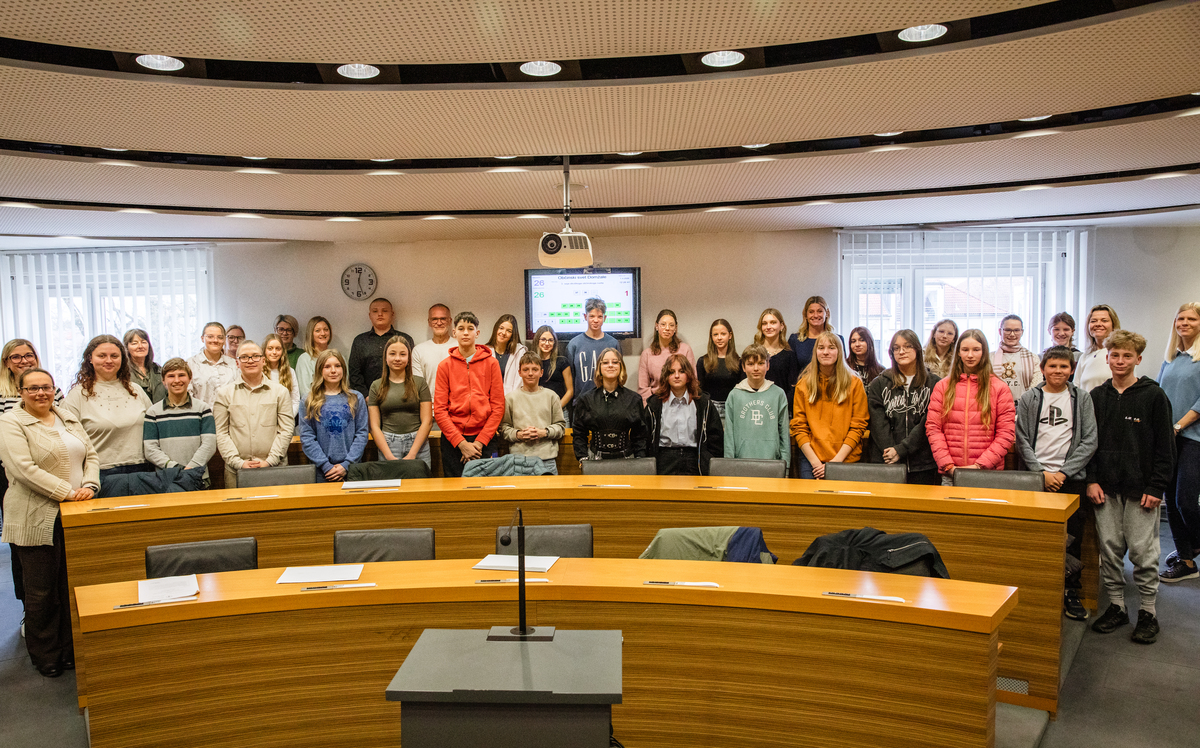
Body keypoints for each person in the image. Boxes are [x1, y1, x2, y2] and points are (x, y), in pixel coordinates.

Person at [0, 368, 98, 677]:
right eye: (33, 388)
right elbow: (23, 469)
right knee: (41, 591)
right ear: (21, 392)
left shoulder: (67, 417)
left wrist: (90, 485)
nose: (41, 393)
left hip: (75, 513)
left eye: (46, 387)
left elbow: (92, 456)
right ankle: (46, 654)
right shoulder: (11, 422)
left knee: (69, 585)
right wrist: (67, 492)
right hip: (34, 516)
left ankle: (69, 648)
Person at [1086, 330, 1175, 644]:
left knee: (1142, 551)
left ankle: (1148, 612)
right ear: (1107, 358)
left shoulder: (1154, 396)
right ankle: (1117, 606)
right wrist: (1092, 479)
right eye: (1115, 355)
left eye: (1127, 356)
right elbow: (1089, 443)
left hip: (1142, 489)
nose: (1120, 361)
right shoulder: (1097, 397)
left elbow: (1166, 447)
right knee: (1110, 548)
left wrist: (1157, 487)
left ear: (1138, 359)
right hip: (1105, 488)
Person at [1015, 346, 1098, 619]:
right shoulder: (1029, 398)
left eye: (1064, 367)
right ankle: (1038, 590)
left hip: (1070, 479)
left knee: (1072, 538)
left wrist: (1063, 473)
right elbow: (1022, 440)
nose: (1058, 371)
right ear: (1042, 369)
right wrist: (1041, 472)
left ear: (1072, 370)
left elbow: (1090, 441)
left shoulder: (1082, 398)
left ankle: (1070, 591)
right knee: (1035, 537)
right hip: (1035, 479)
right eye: (1052, 366)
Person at [926, 329, 1017, 482]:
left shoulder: (999, 388)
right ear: (958, 352)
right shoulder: (943, 386)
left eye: (976, 350)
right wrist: (948, 465)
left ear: (984, 352)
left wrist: (979, 466)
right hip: (951, 472)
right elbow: (933, 428)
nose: (970, 355)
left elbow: (1006, 434)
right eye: (965, 350)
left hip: (987, 473)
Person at [63, 334, 152, 478]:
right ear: (90, 359)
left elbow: (153, 427)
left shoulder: (136, 390)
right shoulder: (77, 395)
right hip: (99, 473)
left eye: (114, 356)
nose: (109, 360)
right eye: (102, 356)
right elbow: (67, 441)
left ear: (123, 359)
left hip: (142, 469)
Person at [213, 340, 295, 488]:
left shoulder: (280, 392)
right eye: (244, 357)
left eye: (255, 356)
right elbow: (221, 432)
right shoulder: (224, 394)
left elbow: (286, 430)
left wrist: (270, 461)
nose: (250, 361)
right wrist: (238, 463)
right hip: (236, 471)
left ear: (263, 360)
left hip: (275, 469)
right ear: (237, 363)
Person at [1157, 302, 1200, 583]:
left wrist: (1178, 426)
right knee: (1171, 501)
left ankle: (1195, 543)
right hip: (1169, 439)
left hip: (1193, 438)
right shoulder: (1171, 358)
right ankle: (1186, 560)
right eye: (1180, 318)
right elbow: (1159, 394)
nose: (1184, 323)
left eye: (1191, 319)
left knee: (1186, 500)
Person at [433, 312, 505, 478]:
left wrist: (479, 443)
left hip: (485, 439)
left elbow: (498, 407)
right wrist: (462, 444)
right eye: (461, 328)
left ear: (477, 333)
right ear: (454, 332)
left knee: (488, 488)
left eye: (470, 328)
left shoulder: (492, 363)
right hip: (454, 441)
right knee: (456, 488)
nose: (465, 333)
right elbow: (440, 410)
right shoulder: (444, 366)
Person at [790, 331, 868, 479]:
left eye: (831, 348)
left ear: (839, 352)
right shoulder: (803, 384)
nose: (825, 352)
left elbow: (858, 426)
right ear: (815, 352)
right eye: (821, 348)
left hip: (845, 459)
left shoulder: (854, 384)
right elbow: (799, 427)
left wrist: (835, 463)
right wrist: (815, 463)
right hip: (812, 461)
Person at [866, 330, 941, 486]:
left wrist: (901, 450)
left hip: (922, 463)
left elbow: (928, 422)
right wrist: (892, 451)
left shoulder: (934, 383)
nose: (901, 351)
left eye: (907, 346)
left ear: (917, 349)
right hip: (886, 460)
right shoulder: (879, 383)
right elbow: (878, 423)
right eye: (896, 348)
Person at [142, 358, 217, 486]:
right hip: (166, 479)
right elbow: (150, 449)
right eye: (171, 376)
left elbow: (209, 445)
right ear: (163, 380)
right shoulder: (153, 413)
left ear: (190, 378)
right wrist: (175, 468)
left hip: (198, 478)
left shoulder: (202, 409)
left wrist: (190, 469)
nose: (177, 380)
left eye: (181, 375)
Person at [645, 354, 723, 476]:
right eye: (672, 372)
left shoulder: (703, 403)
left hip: (695, 459)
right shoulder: (655, 404)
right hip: (664, 459)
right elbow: (645, 437)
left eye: (681, 371)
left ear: (688, 375)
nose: (677, 376)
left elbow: (715, 438)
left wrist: (708, 460)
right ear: (666, 376)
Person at [300, 350, 369, 483]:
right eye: (327, 366)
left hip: (352, 469)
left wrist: (346, 464)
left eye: (337, 366)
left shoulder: (356, 398)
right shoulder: (308, 400)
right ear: (319, 370)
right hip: (322, 471)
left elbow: (362, 434)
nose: (333, 370)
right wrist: (326, 466)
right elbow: (307, 437)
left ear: (343, 369)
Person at [572, 348, 647, 464]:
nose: (610, 365)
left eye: (615, 362)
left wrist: (640, 458)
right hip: (595, 460)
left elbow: (640, 434)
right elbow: (579, 432)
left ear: (621, 367)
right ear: (599, 368)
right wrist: (582, 457)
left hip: (627, 460)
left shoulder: (634, 399)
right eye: (605, 362)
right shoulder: (586, 399)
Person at [368, 335, 433, 470]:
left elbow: (427, 421)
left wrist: (412, 454)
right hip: (388, 445)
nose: (397, 358)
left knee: (421, 482)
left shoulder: (420, 383)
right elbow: (374, 426)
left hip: (418, 445)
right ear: (385, 358)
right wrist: (388, 456)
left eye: (402, 354)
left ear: (408, 359)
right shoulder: (376, 386)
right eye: (392, 354)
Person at [500, 352, 567, 474]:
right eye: (526, 370)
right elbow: (504, 428)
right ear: (519, 372)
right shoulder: (510, 398)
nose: (530, 373)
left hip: (547, 459)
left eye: (535, 369)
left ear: (541, 372)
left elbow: (560, 427)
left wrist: (544, 432)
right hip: (519, 460)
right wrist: (519, 434)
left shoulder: (551, 396)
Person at [723, 344, 789, 466]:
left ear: (768, 365)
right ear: (743, 367)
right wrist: (729, 464)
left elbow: (784, 433)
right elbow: (729, 435)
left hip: (772, 463)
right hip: (741, 462)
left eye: (760, 363)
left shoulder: (778, 394)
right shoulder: (734, 395)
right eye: (750, 364)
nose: (756, 368)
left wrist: (786, 465)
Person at [349, 298, 414, 401]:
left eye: (385, 311)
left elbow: (411, 369)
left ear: (392, 314)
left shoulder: (404, 339)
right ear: (370, 315)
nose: (380, 314)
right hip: (368, 400)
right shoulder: (360, 341)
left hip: (401, 398)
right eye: (375, 311)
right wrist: (366, 397)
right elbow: (354, 373)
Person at [637, 309, 696, 404]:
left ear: (676, 328)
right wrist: (649, 408)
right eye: (663, 324)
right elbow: (643, 388)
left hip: (681, 402)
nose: (667, 328)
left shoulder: (685, 350)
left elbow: (693, 381)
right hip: (656, 403)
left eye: (671, 325)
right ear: (657, 326)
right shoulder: (647, 354)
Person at [565, 297, 619, 400]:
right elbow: (569, 379)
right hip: (581, 402)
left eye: (599, 316)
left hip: (608, 401)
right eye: (592, 316)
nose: (596, 320)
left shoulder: (613, 344)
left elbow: (619, 375)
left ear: (605, 318)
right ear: (585, 317)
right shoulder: (574, 344)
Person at [1, 339, 63, 414]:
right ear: (6, 363)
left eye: (29, 356)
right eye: (16, 357)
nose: (24, 361)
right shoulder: (1, 394)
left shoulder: (54, 391)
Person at [755, 308, 799, 412]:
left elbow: (793, 388)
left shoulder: (789, 355)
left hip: (782, 409)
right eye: (764, 323)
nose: (768, 327)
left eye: (773, 322)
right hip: (757, 408)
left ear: (782, 326)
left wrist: (781, 406)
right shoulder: (754, 353)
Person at [991, 314, 1043, 400]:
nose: (1012, 334)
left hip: (1024, 405)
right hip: (996, 404)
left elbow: (1036, 388)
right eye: (1008, 330)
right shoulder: (989, 358)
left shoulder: (1033, 358)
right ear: (1000, 331)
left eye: (1016, 330)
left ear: (1022, 332)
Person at [789, 295, 844, 374]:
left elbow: (842, 368)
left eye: (819, 311)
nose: (815, 315)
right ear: (805, 315)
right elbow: (792, 372)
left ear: (827, 313)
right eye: (811, 312)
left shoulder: (838, 339)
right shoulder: (794, 340)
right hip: (802, 381)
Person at [696, 319, 740, 418]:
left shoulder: (739, 362)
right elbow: (700, 390)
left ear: (730, 335)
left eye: (723, 334)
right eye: (715, 334)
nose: (719, 338)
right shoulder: (703, 361)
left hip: (732, 408)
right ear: (711, 337)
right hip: (711, 408)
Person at [188, 322, 238, 407]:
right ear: (202, 338)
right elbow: (188, 396)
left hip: (230, 414)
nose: (215, 340)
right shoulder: (191, 364)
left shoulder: (233, 364)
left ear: (224, 340)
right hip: (202, 414)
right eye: (210, 337)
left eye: (220, 337)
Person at [411, 304, 453, 402]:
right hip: (430, 407)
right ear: (429, 322)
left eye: (443, 318)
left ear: (450, 321)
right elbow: (418, 386)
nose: (439, 323)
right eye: (434, 319)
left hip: (457, 408)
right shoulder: (419, 350)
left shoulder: (461, 347)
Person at [1074, 304, 1120, 392]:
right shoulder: (1084, 357)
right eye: (1093, 321)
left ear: (1113, 325)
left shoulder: (1120, 354)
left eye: (1104, 320)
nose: (1098, 324)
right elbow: (1076, 389)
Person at [532, 325, 573, 416]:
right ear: (537, 340)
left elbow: (570, 391)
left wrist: (556, 407)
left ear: (554, 342)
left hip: (559, 412)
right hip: (537, 412)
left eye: (550, 340)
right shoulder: (531, 363)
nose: (547, 343)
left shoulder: (562, 361)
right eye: (543, 339)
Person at [487, 314, 528, 393]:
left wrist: (511, 398)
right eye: (501, 328)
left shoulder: (520, 351)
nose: (503, 333)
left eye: (509, 331)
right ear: (496, 329)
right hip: (490, 398)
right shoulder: (485, 351)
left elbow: (520, 380)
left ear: (513, 334)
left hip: (512, 397)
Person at [262, 333, 301, 418]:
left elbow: (295, 400)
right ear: (264, 350)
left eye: (278, 349)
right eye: (270, 348)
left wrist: (287, 418)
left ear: (282, 351)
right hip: (264, 420)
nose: (274, 352)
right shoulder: (259, 372)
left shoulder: (290, 372)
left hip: (285, 419)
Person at [123, 329, 165, 403]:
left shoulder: (158, 370)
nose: (140, 346)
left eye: (143, 342)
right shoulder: (123, 372)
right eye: (134, 343)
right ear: (126, 348)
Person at [295, 316, 333, 396]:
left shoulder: (338, 358)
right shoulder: (304, 359)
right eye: (317, 330)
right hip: (314, 402)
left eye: (326, 329)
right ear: (311, 334)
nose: (323, 333)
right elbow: (305, 392)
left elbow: (345, 386)